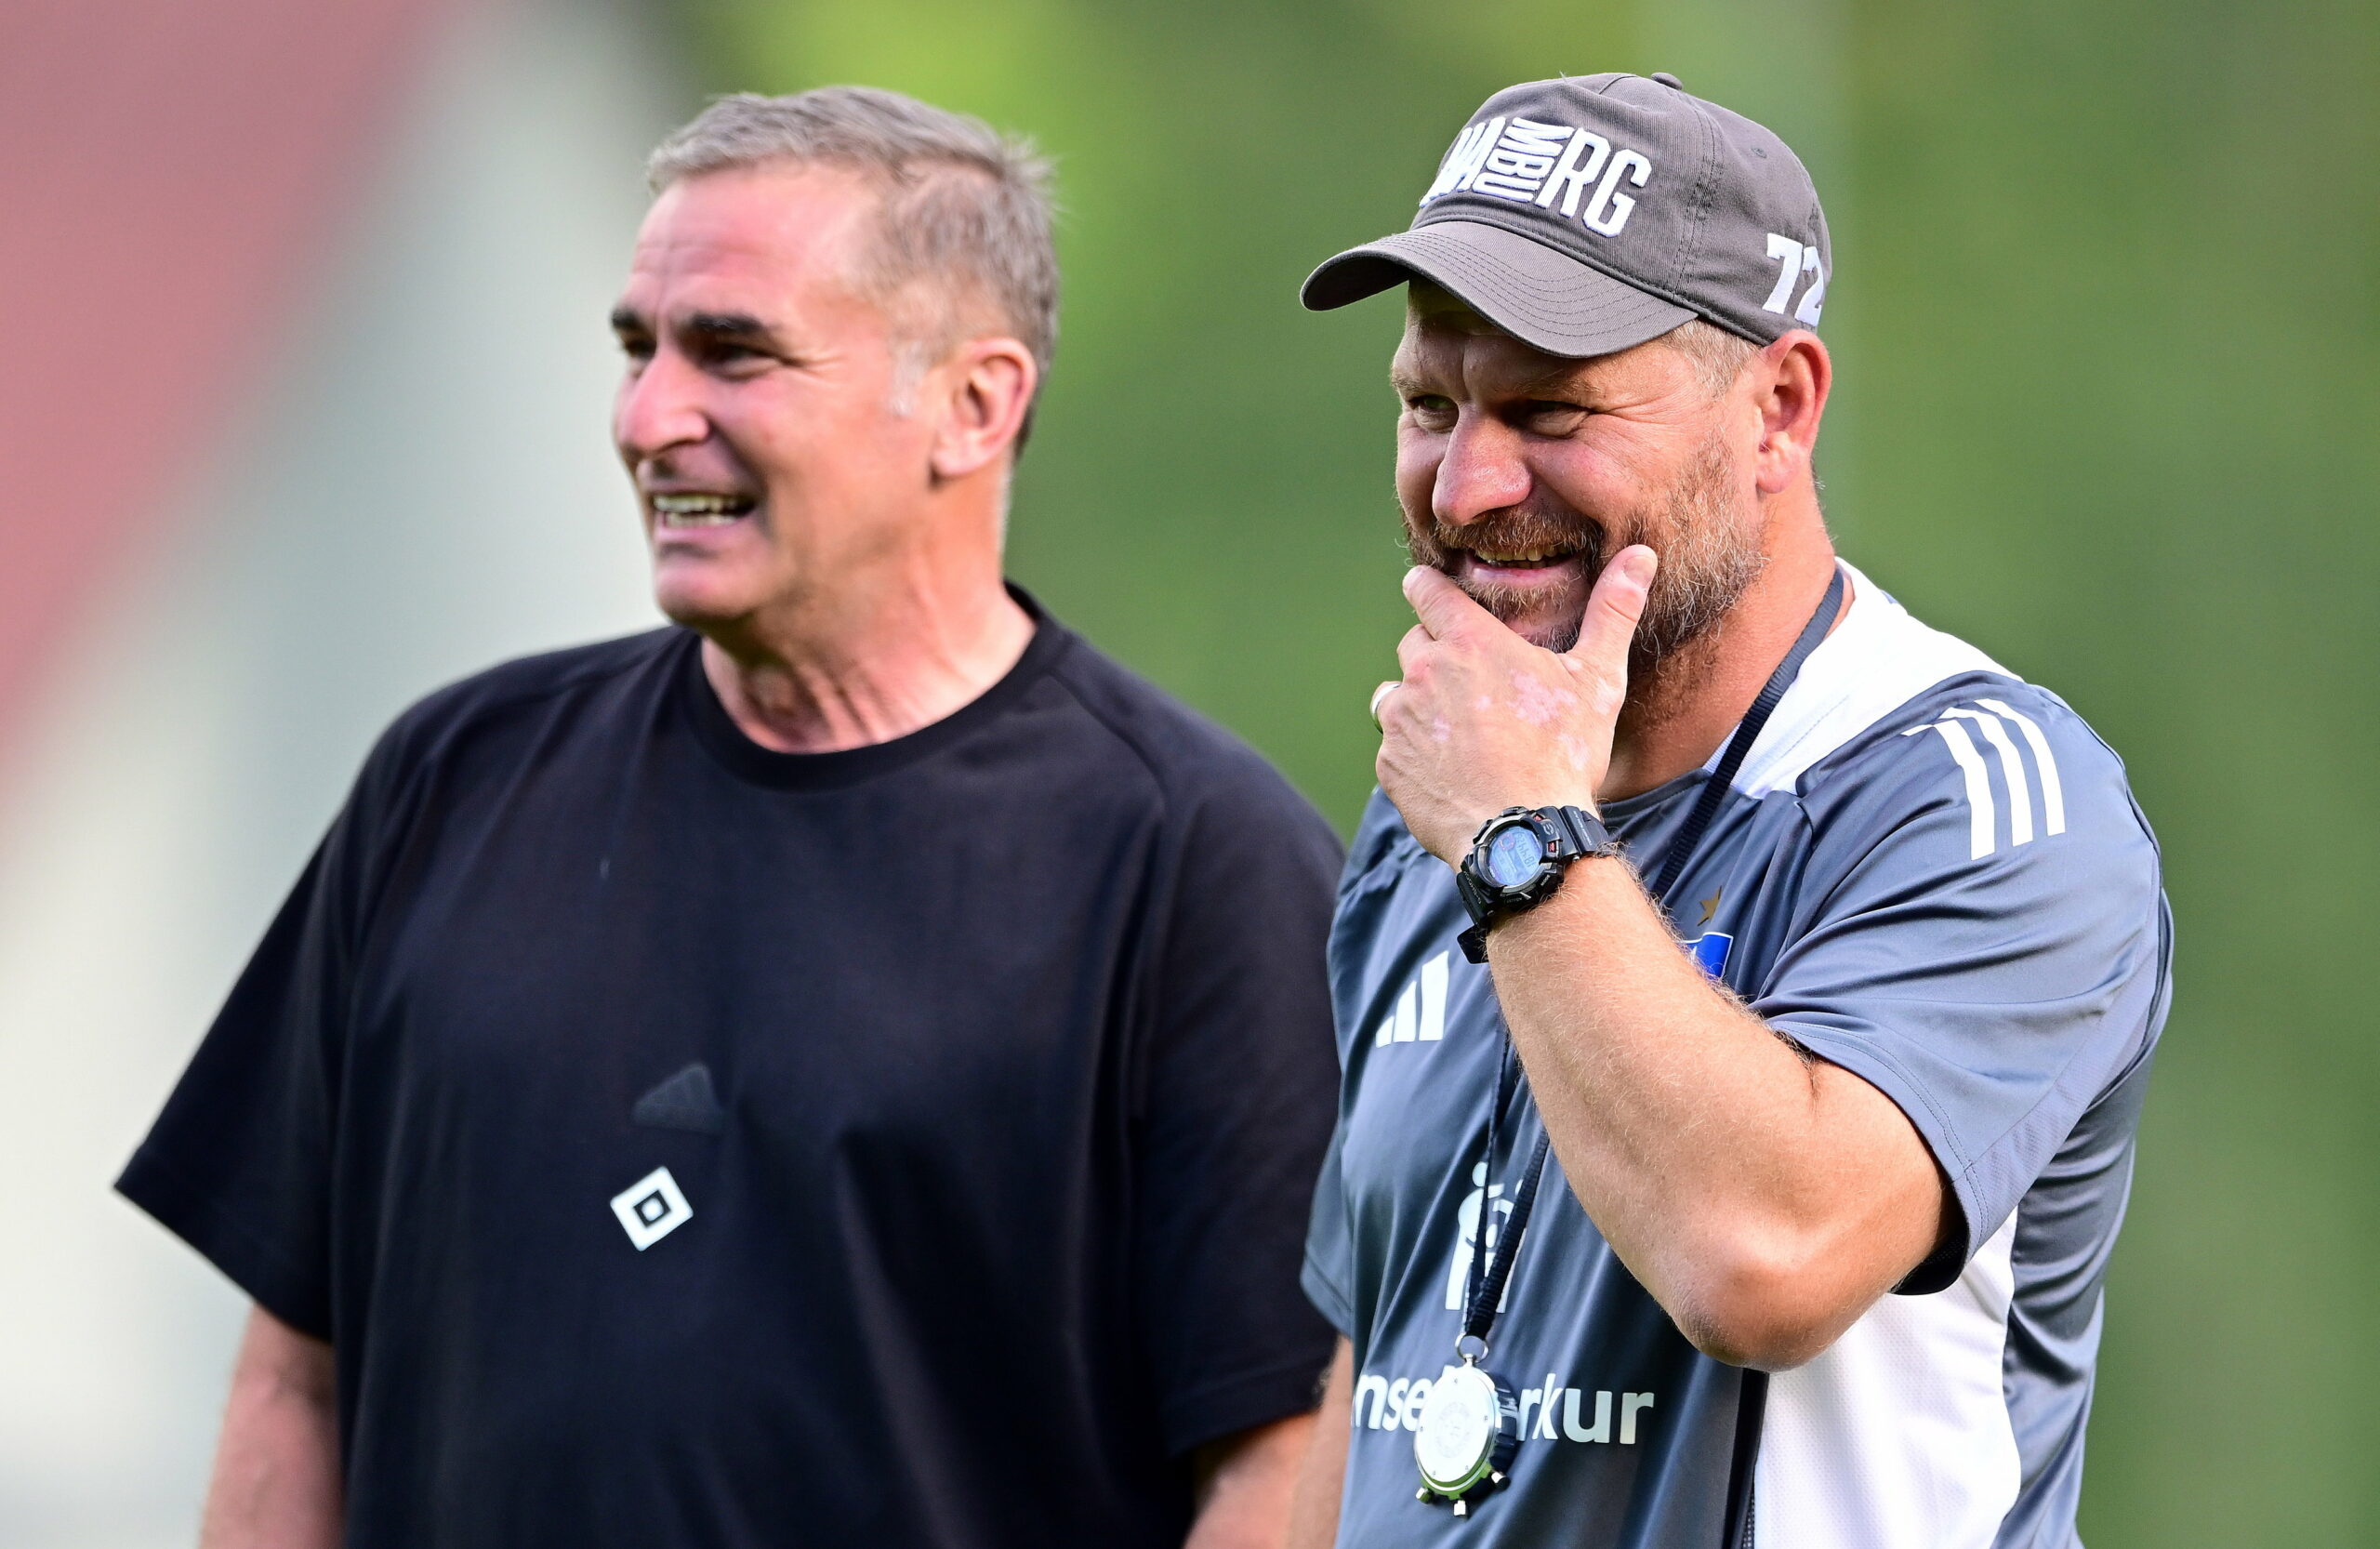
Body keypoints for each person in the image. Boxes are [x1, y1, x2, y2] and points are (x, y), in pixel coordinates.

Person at [119, 86, 1343, 1549]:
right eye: (639, 348)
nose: (650, 420)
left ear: (974, 402)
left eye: (736, 353)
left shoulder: (1193, 862)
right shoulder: (445, 783)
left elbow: (1280, 1463)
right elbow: (292, 1380)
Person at [1281, 73, 2170, 1549]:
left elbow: (1761, 1257)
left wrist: (1520, 839)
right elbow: (1378, 1352)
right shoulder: (1439, 807)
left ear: (1779, 406)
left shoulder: (1977, 794)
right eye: (1429, 405)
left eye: (1552, 407)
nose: (1469, 481)